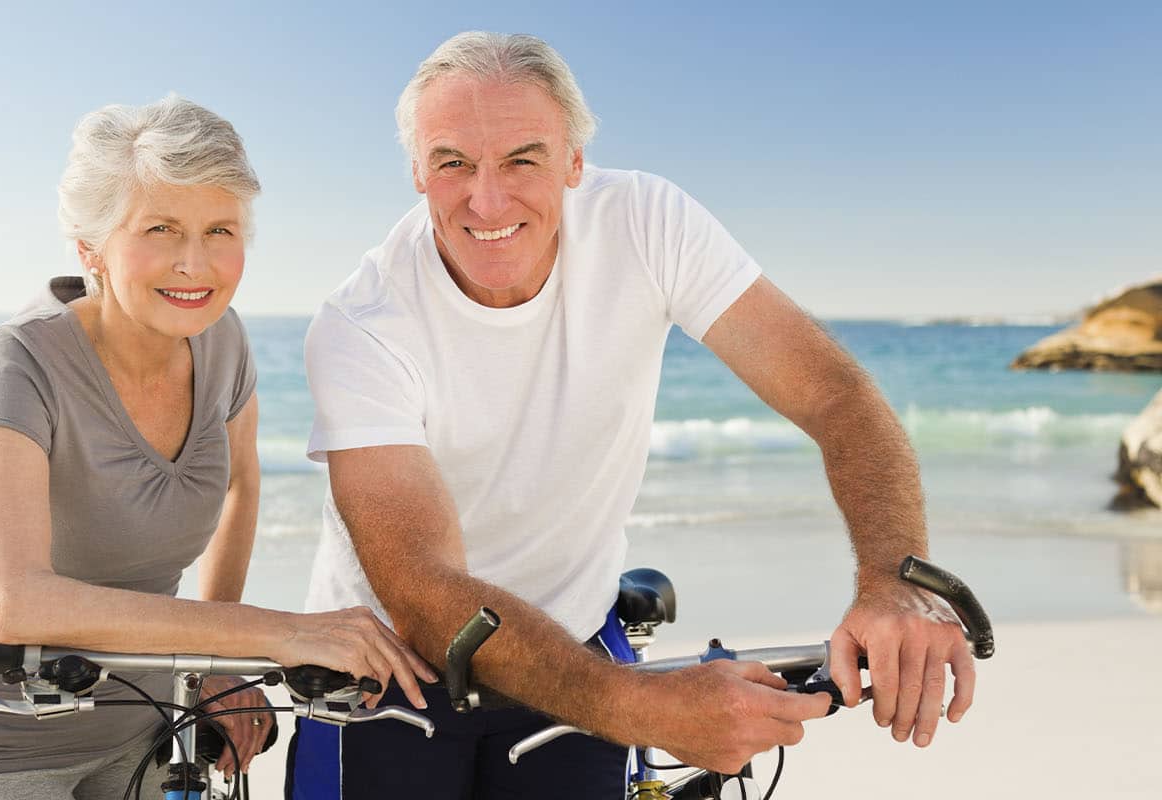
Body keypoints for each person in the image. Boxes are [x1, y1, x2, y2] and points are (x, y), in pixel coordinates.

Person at [288, 32, 977, 798]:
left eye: (523, 158)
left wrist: (892, 579)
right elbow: (422, 585)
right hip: (388, 669)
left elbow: (832, 393)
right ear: (417, 173)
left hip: (573, 640)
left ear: (575, 162)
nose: (487, 199)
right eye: (452, 162)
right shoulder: (362, 322)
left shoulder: (647, 222)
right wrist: (639, 705)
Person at [0, 94, 435, 800]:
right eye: (160, 228)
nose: (195, 263)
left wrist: (211, 659)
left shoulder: (225, 339)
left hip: (136, 720)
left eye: (220, 229)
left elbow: (241, 484)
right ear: (91, 247)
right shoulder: (19, 360)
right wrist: (270, 633)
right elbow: (14, 601)